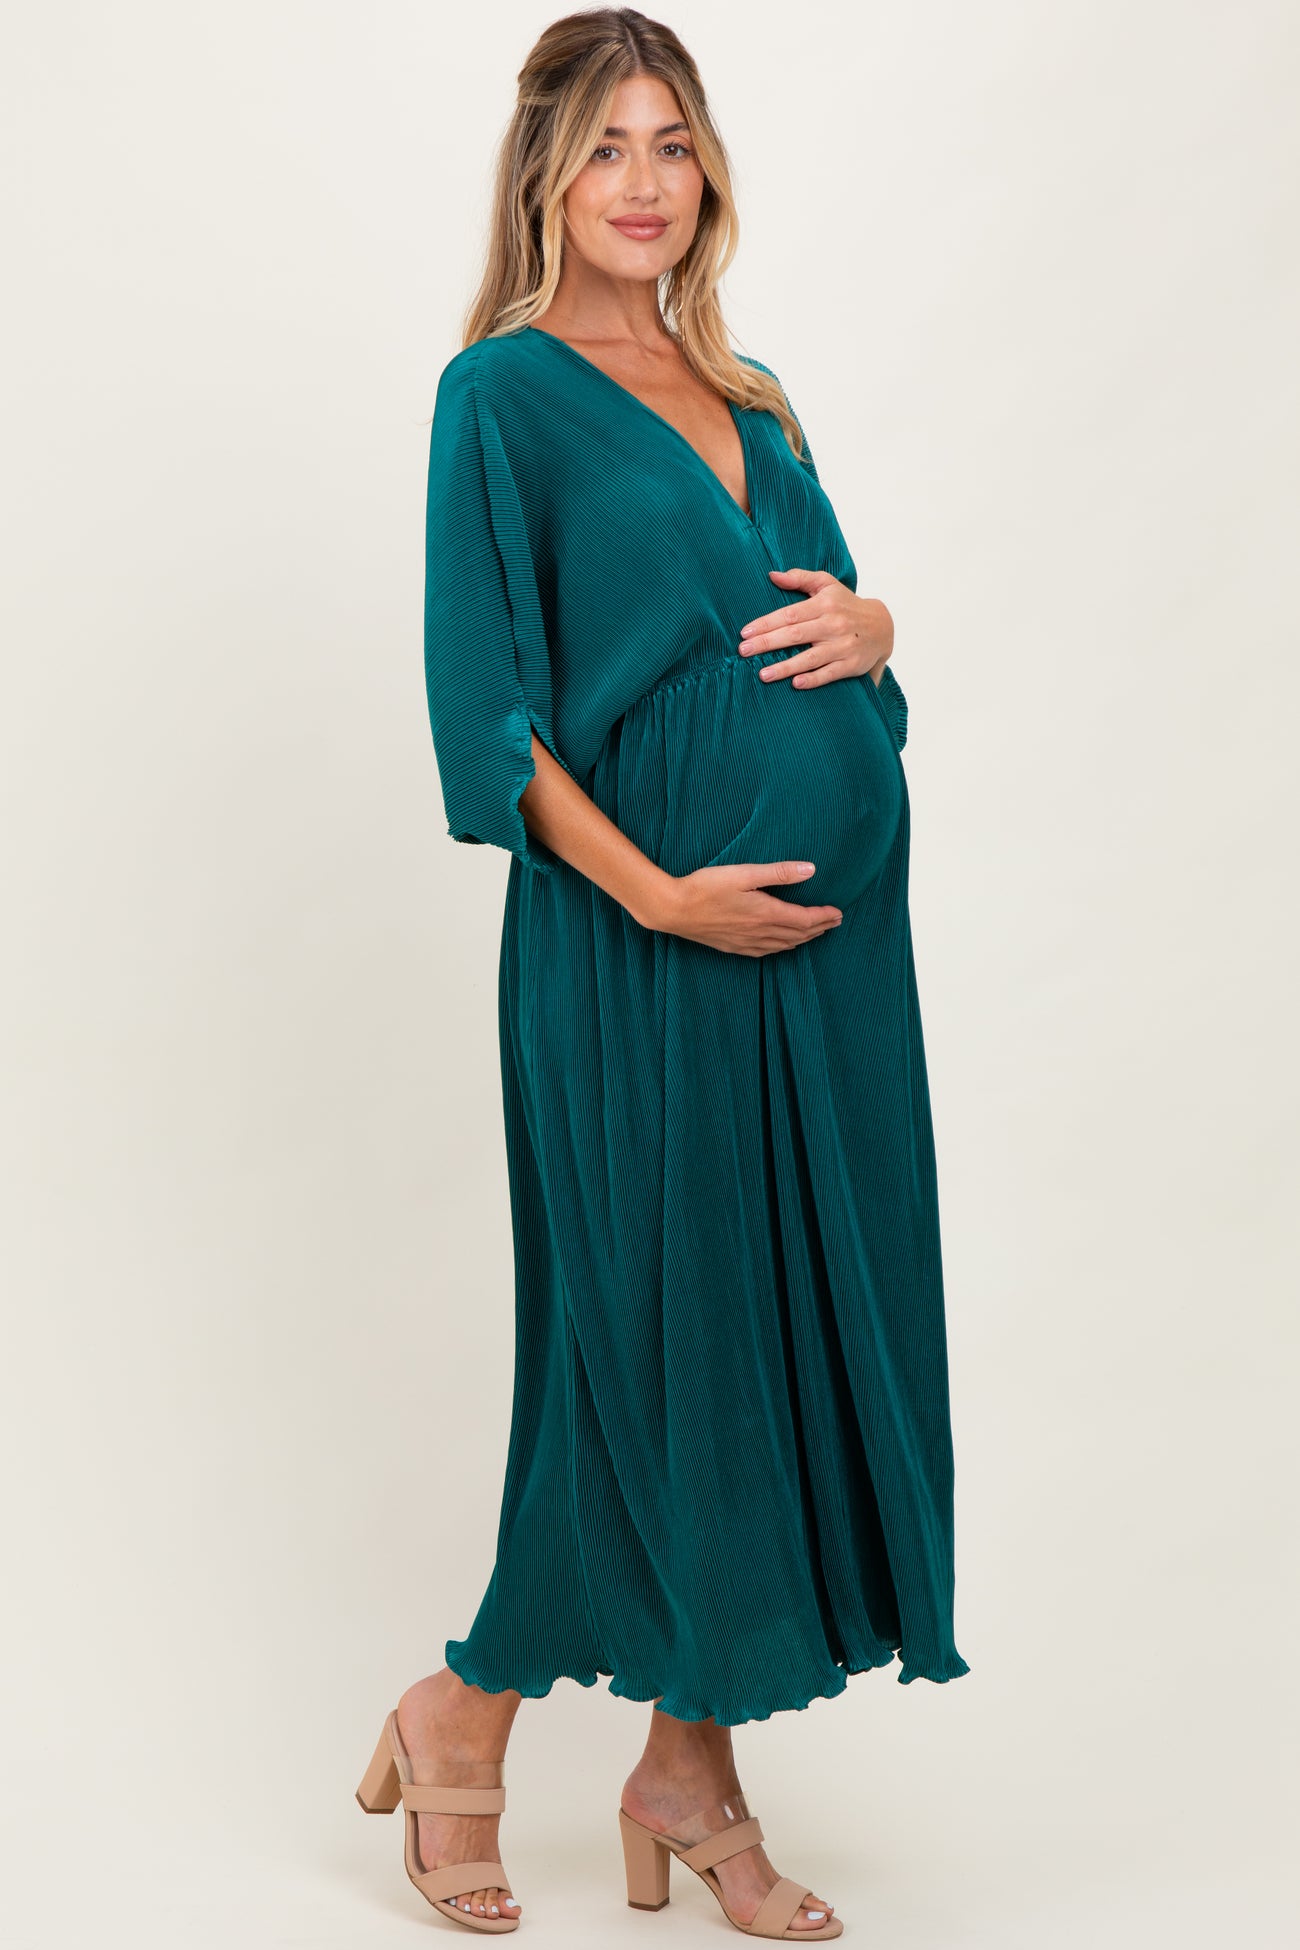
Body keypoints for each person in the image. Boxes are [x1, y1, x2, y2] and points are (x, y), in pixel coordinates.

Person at [356, 8, 970, 1939]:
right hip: (640, 946)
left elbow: (838, 629)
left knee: (769, 1343)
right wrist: (659, 896)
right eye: (609, 146)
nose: (646, 181)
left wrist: (880, 625)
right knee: (641, 1342)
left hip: (830, 970)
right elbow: (490, 718)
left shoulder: (753, 393)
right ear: (547, 175)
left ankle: (689, 1765)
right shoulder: (499, 395)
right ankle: (464, 1707)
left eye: (675, 143)